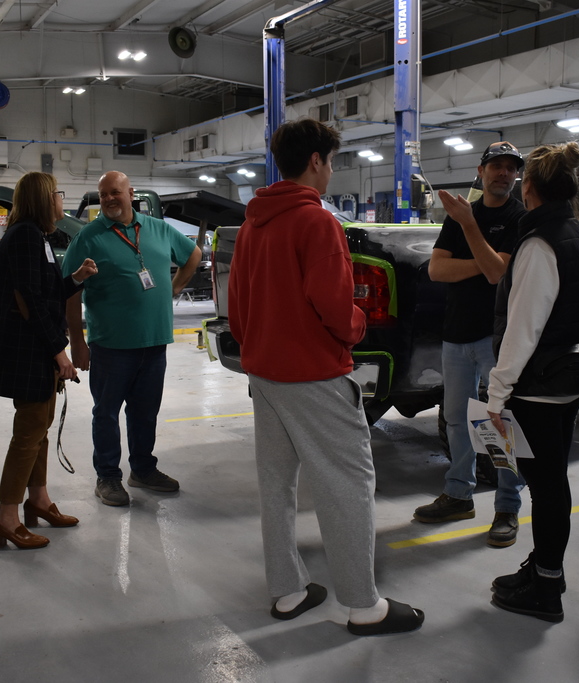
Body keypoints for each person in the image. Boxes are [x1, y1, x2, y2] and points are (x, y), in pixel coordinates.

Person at [229, 118, 425, 636]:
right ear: (315, 160)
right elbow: (337, 308)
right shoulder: (317, 223)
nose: (332, 170)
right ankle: (363, 605)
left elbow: (239, 305)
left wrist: (256, 350)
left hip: (265, 374)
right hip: (314, 376)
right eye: (332, 161)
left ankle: (288, 591)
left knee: (277, 484)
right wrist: (356, 327)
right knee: (349, 484)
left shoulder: (254, 224)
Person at [479, 141, 579, 622]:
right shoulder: (578, 234)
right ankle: (543, 568)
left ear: (528, 187)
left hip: (538, 388)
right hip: (569, 381)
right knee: (552, 483)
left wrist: (496, 393)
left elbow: (523, 328)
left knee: (547, 489)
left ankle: (546, 586)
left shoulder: (538, 244)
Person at [62, 171, 202, 507]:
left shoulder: (157, 229)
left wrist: (176, 285)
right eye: (103, 194)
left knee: (145, 411)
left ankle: (142, 469)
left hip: (153, 343)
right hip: (110, 346)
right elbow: (68, 291)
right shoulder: (88, 238)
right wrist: (78, 342)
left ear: (130, 193)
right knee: (106, 414)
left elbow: (193, 255)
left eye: (115, 192)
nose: (109, 199)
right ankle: (107, 476)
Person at [413, 141, 528, 548]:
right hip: (456, 334)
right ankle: (459, 494)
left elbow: (499, 274)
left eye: (510, 168)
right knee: (458, 420)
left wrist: (470, 231)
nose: (502, 173)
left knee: (497, 421)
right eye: (495, 166)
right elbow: (437, 269)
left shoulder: (519, 218)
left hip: (496, 336)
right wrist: (481, 258)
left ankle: (507, 506)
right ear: (481, 172)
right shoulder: (464, 215)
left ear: (517, 175)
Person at [0, 172, 98, 550]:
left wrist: (76, 277)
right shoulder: (26, 236)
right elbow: (29, 302)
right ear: (44, 199)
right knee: (28, 432)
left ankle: (39, 501)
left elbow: (45, 293)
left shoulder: (36, 237)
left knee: (40, 425)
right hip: (29, 349)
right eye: (57, 194)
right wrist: (59, 352)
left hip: (33, 348)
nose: (62, 200)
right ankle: (6, 518)